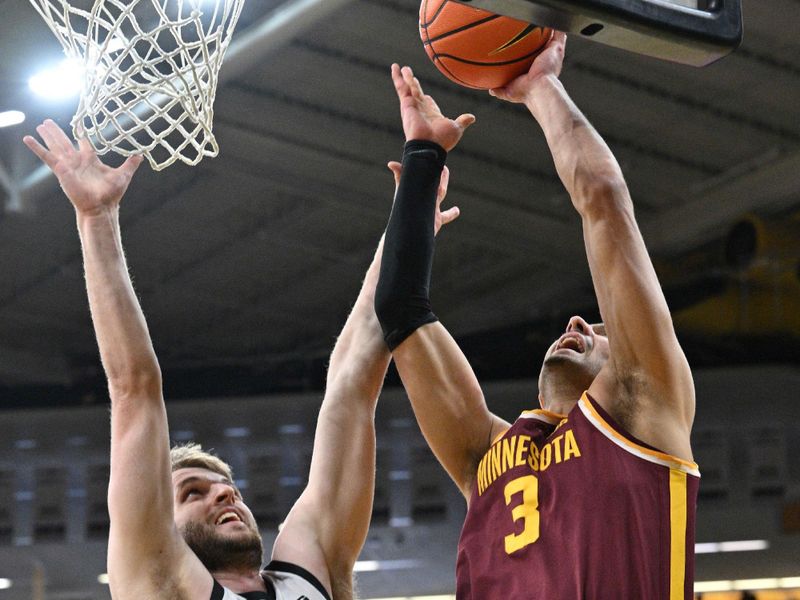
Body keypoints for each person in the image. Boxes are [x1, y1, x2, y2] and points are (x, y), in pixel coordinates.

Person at [22, 120, 457, 599]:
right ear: (155, 522)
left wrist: (413, 205)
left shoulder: (307, 573)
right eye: (192, 493)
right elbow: (134, 389)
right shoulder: (161, 582)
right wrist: (97, 218)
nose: (225, 494)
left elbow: (353, 383)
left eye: (225, 488)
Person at [375, 34, 699, 599]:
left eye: (599, 332)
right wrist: (423, 154)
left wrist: (539, 85)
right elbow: (400, 312)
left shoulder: (642, 406)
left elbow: (601, 195)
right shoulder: (491, 461)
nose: (578, 323)